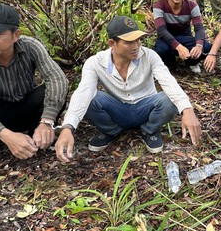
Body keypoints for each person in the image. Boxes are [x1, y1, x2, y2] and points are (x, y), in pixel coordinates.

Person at [54, 16, 201, 163]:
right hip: (117, 109)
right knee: (90, 98)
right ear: (112, 43)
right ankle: (111, 130)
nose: (136, 46)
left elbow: (168, 81)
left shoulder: (149, 56)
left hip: (146, 108)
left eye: (138, 40)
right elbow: (83, 92)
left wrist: (187, 109)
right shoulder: (95, 63)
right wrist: (68, 127)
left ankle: (149, 130)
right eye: (129, 42)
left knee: (169, 99)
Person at [0, 3, 69, 174]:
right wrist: (5, 135)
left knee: (54, 88)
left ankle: (40, 133)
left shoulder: (31, 47)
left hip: (26, 108)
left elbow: (56, 78)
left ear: (16, 35)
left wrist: (47, 121)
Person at [153, 0, 212, 74]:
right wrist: (179, 47)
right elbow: (161, 30)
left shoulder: (192, 6)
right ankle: (171, 65)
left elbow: (199, 28)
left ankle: (192, 62)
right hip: (167, 39)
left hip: (185, 37)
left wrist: (198, 46)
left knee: (206, 47)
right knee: (161, 49)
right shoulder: (159, 5)